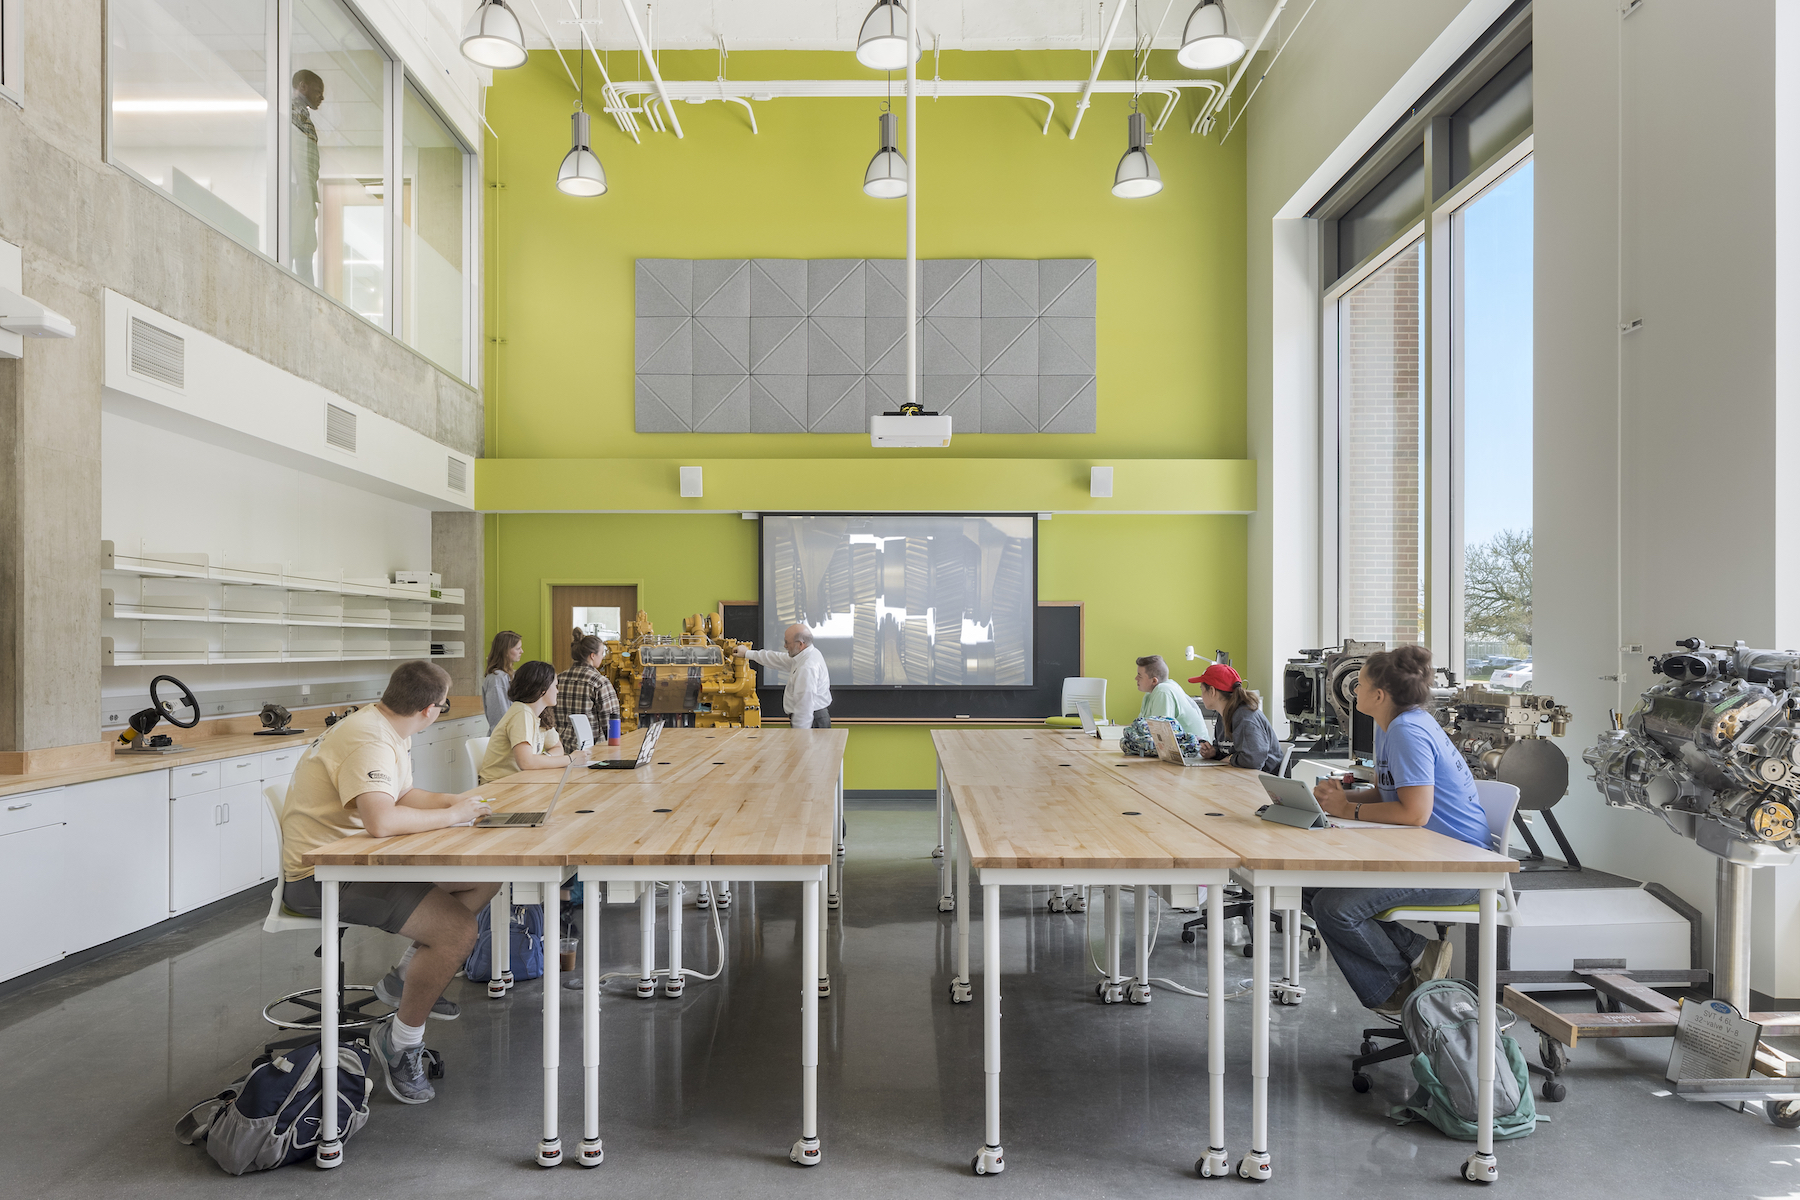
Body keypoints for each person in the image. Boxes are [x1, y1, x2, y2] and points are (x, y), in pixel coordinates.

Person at [278, 660, 498, 1105]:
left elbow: (400, 796)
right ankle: (399, 1044)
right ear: (429, 709)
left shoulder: (386, 729)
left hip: (357, 862)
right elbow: (381, 821)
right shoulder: (369, 740)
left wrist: (458, 801)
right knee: (458, 932)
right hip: (322, 876)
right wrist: (452, 816)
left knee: (486, 878)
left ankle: (405, 978)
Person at [1304, 644, 1491, 1016]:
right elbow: (1390, 792)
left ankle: (1402, 994)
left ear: (1379, 694)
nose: (1354, 691)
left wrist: (1348, 808)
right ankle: (1418, 953)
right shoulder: (1389, 726)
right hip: (1426, 854)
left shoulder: (1408, 731)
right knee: (1309, 886)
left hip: (1460, 866)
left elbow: (1416, 813)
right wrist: (1343, 797)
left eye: (1359, 684)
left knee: (1334, 907)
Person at [480, 660, 586, 784]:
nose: (558, 691)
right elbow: (526, 762)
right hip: (499, 785)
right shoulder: (521, 713)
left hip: (519, 782)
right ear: (543, 689)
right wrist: (570, 759)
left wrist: (542, 759)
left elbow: (557, 747)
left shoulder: (540, 714)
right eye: (555, 686)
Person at [1189, 662, 1283, 773]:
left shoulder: (1245, 718)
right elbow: (1227, 750)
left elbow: (1253, 760)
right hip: (1238, 776)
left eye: (1202, 689)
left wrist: (1229, 759)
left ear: (1212, 691)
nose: (1201, 695)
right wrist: (1214, 752)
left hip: (1262, 783)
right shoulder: (1222, 714)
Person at [735, 623, 832, 728]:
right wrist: (747, 653)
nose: (785, 646)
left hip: (811, 722)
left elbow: (804, 707)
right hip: (814, 719)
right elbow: (777, 659)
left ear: (800, 644)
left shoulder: (807, 667)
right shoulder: (806, 654)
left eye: (787, 643)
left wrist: (800, 736)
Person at [553, 634, 620, 752]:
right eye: (602, 653)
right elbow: (611, 721)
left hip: (560, 750)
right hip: (590, 752)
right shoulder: (599, 682)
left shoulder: (558, 679)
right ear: (592, 656)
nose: (603, 657)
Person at [289, 69, 323, 284]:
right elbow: (294, 151)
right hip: (298, 189)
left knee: (306, 245)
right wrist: (302, 189)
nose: (322, 96)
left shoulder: (302, 112)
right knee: (298, 243)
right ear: (303, 86)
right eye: (318, 90)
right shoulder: (292, 111)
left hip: (305, 189)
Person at [1133, 654, 1208, 739]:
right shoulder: (1149, 695)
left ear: (1154, 680)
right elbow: (1140, 727)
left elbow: (1161, 734)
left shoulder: (1163, 691)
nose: (1136, 678)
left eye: (1139, 676)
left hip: (1198, 749)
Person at [482, 630, 523, 731]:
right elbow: (499, 716)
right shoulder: (497, 678)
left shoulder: (510, 675)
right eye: (518, 648)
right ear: (505, 651)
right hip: (503, 738)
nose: (522, 651)